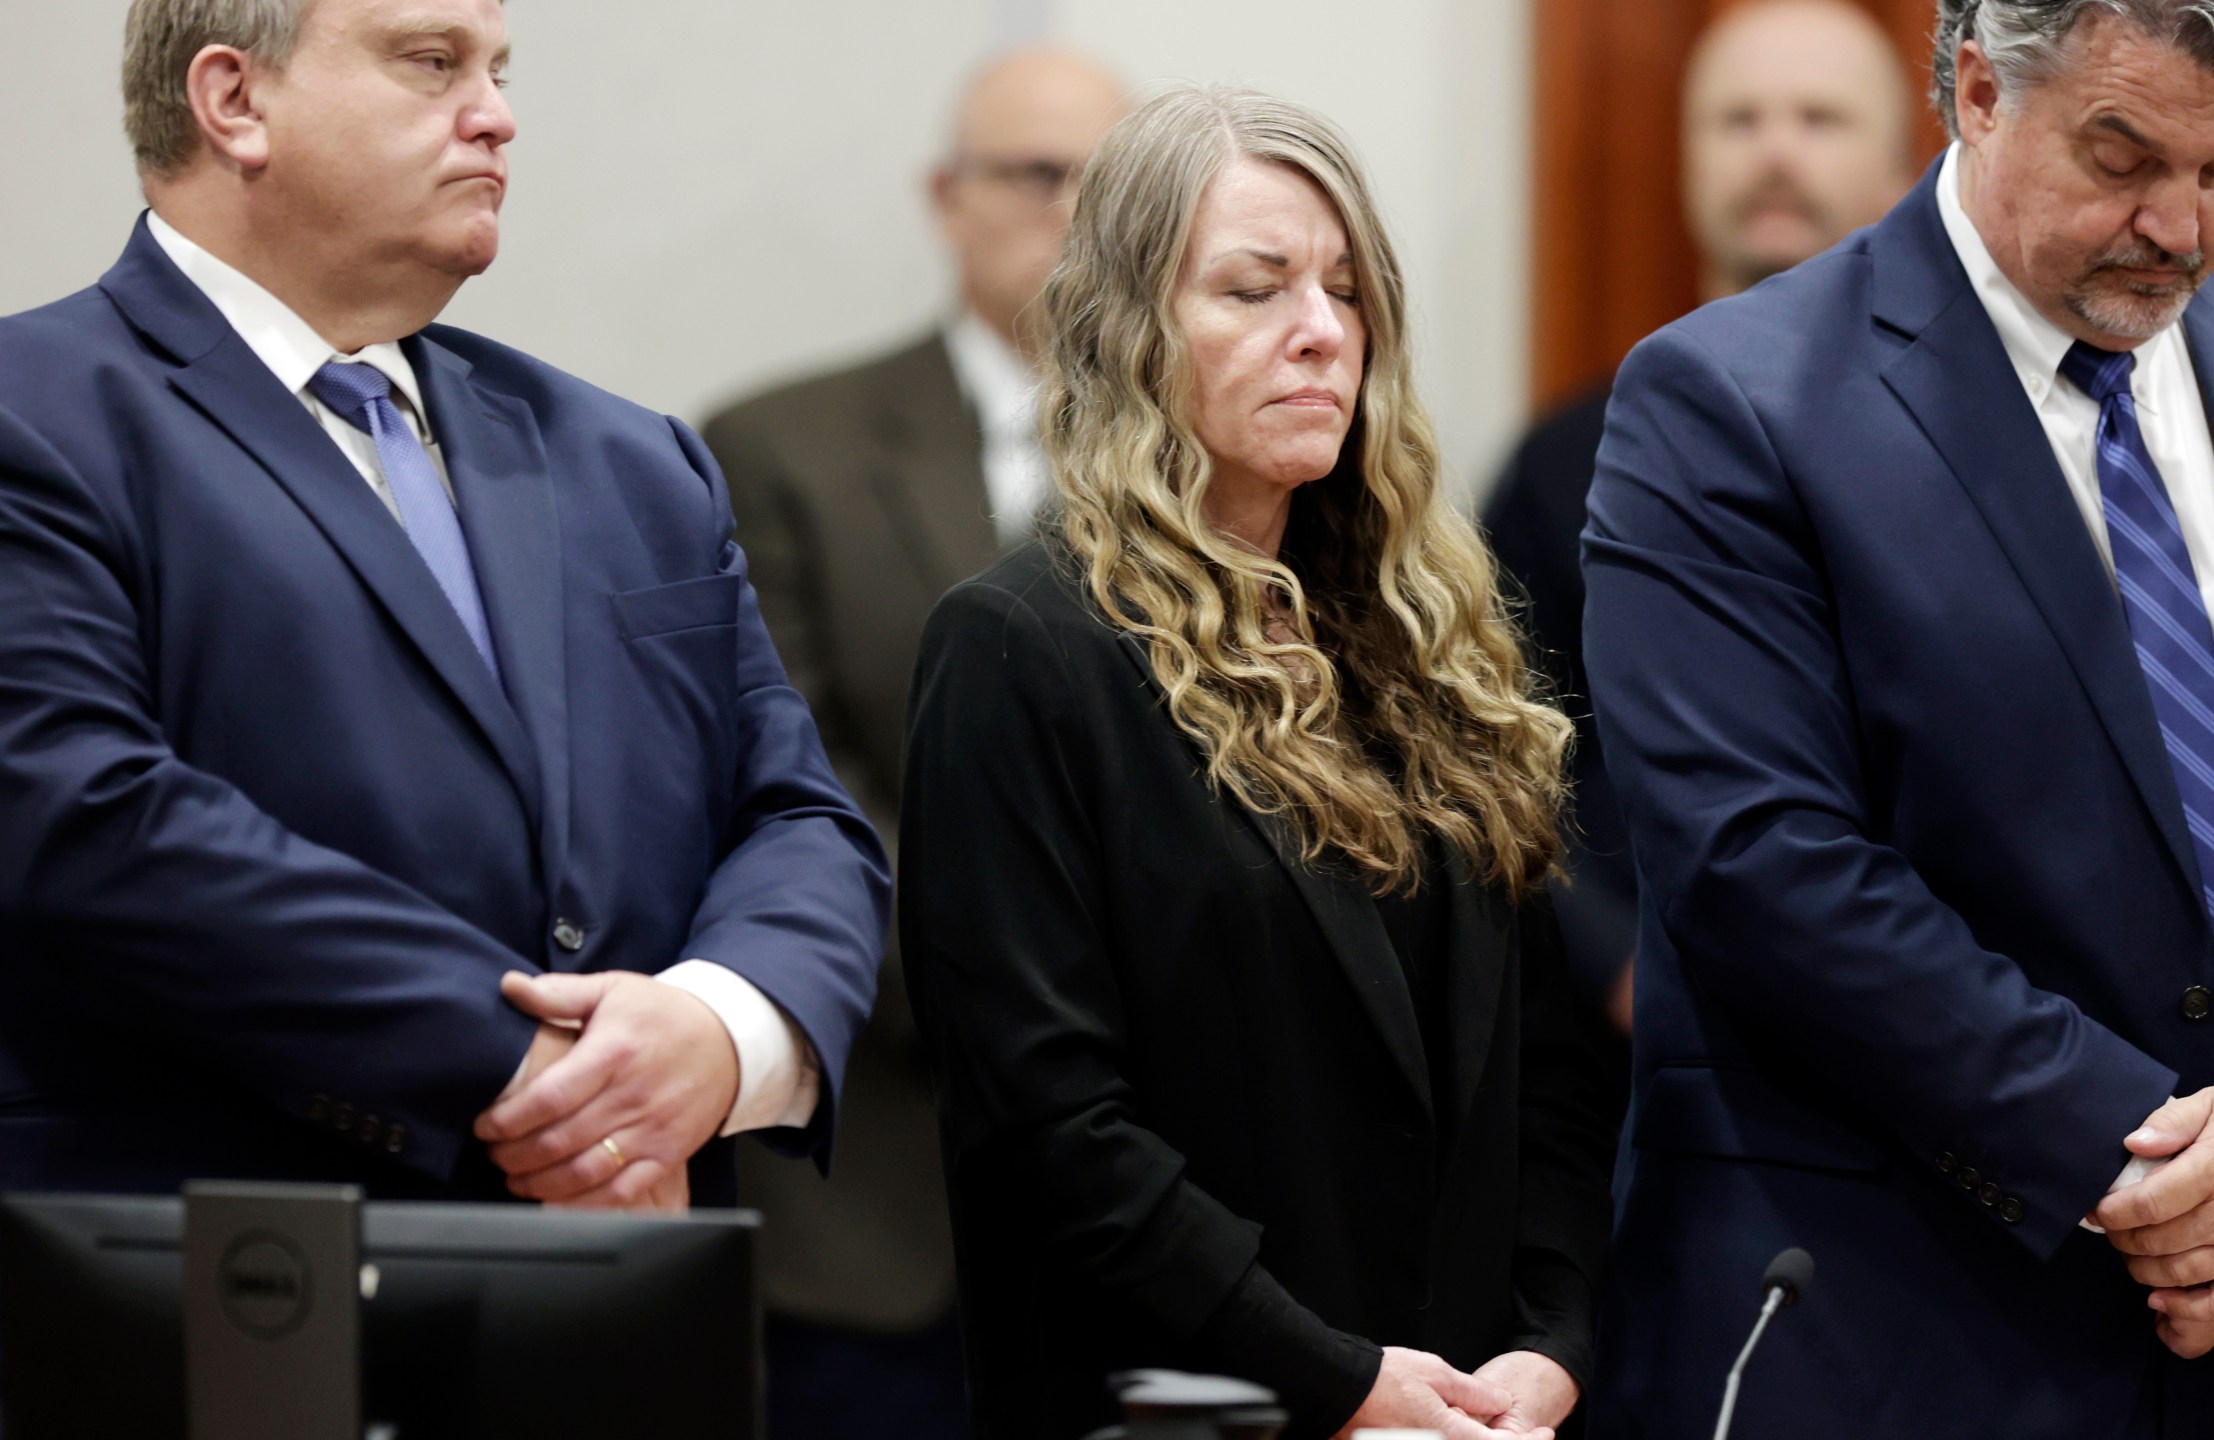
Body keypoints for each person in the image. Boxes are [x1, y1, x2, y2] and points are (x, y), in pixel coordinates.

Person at [1582, 0, 2214, 1432]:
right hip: (1913, 1323)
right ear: (1979, 89)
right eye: (2123, 156)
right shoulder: (1727, 403)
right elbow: (1764, 866)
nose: (2177, 227)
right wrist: (2149, 1164)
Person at [0, 0, 886, 1218]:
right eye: (431, 63)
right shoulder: (35, 416)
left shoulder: (632, 460)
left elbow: (799, 818)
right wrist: (535, 1069)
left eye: (499, 69)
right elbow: (81, 817)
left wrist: (718, 1031)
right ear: (234, 101)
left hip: (626, 1296)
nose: (498, 117)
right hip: (220, 1277)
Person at [899, 85, 1619, 1440]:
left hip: (1471, 1409)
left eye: (1346, 293)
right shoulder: (1021, 649)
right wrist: (1336, 1376)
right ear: (1131, 331)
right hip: (1195, 1406)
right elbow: (1050, 1128)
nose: (1320, 333)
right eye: (1255, 288)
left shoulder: (1425, 651)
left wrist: (1554, 1337)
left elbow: (1552, 1068)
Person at [699, 47, 1125, 1437]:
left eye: (1109, 184)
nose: (1073, 214)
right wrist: (1039, 1010)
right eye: (1035, 175)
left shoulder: (1222, 470)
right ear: (948, 199)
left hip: (1163, 1219)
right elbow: (795, 790)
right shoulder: (780, 450)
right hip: (877, 1202)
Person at [1479, 0, 1912, 1033]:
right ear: (1684, 161)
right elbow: (1485, 758)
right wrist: (1616, 968)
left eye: (1818, 118)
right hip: (1638, 1052)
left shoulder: (1984, 452)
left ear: (1904, 171)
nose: (1772, 150)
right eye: (1736, 119)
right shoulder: (1560, 463)